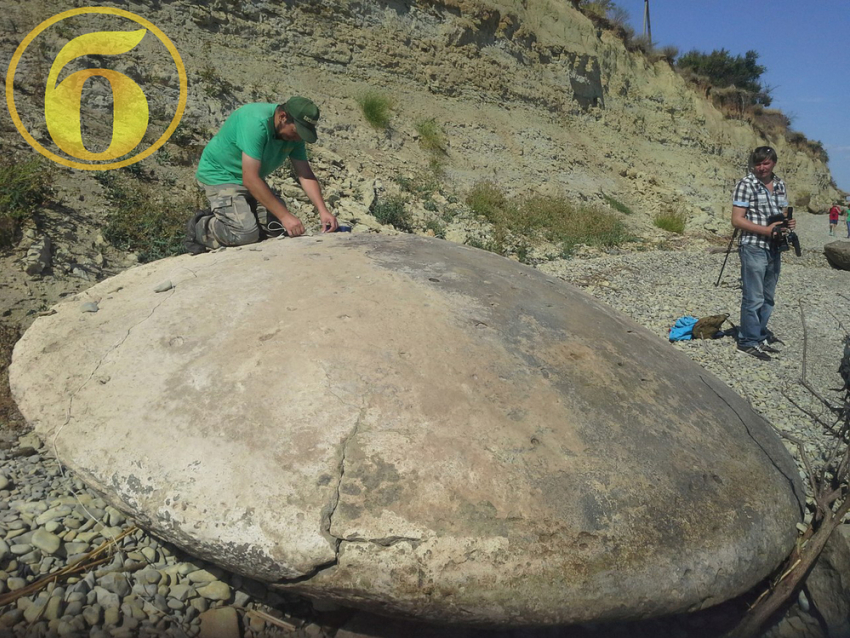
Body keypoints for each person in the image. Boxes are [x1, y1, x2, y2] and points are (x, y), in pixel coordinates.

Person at [186, 97, 337, 254]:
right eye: (297, 131)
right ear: (283, 117)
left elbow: (305, 174)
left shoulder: (295, 134)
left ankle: (245, 212)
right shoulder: (255, 123)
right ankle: (201, 227)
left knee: (276, 229)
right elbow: (250, 179)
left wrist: (323, 211)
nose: (299, 138)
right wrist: (285, 216)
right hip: (221, 175)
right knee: (245, 234)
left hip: (251, 178)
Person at [731, 146, 796, 361]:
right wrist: (766, 230)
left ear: (773, 163)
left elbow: (782, 212)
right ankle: (747, 341)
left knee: (768, 298)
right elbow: (737, 219)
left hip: (774, 247)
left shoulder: (779, 185)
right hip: (753, 246)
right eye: (757, 163)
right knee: (753, 297)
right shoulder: (745, 184)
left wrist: (787, 223)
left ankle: (758, 335)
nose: (761, 168)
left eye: (765, 163)